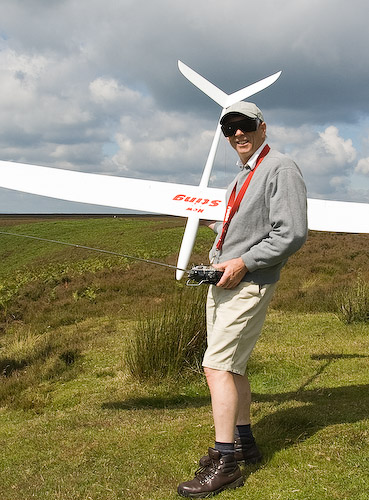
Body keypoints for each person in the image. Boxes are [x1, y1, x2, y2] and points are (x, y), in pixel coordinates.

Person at [177, 101, 308, 498]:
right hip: (225, 281)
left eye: (245, 125)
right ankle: (244, 443)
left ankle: (225, 463)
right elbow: (242, 227)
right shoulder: (241, 178)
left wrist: (243, 263)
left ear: (262, 127)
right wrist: (207, 229)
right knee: (232, 367)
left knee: (215, 367)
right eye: (230, 129)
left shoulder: (280, 168)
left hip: (248, 283)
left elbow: (292, 233)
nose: (238, 134)